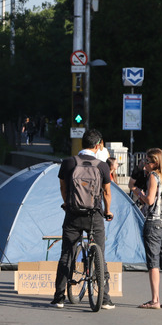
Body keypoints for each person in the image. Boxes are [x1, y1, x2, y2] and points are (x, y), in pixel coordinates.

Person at [50, 129, 115, 310]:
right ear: (97, 145)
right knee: (100, 254)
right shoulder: (102, 166)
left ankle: (59, 297)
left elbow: (63, 188)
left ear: (82, 144)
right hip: (94, 215)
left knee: (67, 254)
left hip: (73, 215)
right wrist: (107, 211)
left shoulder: (69, 163)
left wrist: (67, 203)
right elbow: (107, 192)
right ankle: (106, 298)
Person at [131, 148, 162, 310]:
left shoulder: (153, 176)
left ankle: (155, 299)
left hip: (154, 224)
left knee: (153, 263)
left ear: (155, 163)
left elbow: (149, 200)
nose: (145, 164)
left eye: (147, 161)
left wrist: (138, 192)